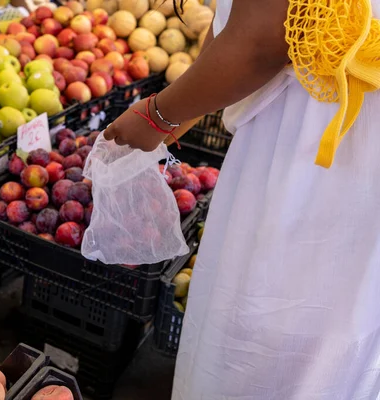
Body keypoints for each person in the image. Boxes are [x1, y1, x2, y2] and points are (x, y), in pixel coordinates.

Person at [104, 0, 380, 398]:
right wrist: (188, 105)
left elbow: (263, 36)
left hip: (316, 154)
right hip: (352, 153)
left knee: (268, 345)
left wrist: (158, 115)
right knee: (335, 344)